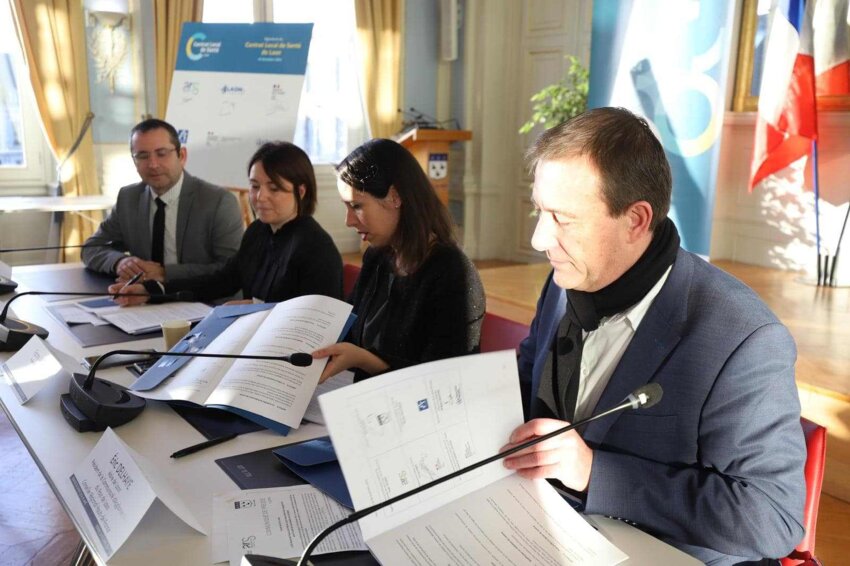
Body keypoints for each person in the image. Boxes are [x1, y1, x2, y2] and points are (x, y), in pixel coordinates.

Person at [500, 107, 806, 564]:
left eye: (562, 218)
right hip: (540, 530)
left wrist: (594, 473)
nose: (539, 239)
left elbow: (772, 517)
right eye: (540, 211)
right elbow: (527, 381)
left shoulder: (743, 338)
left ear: (637, 220)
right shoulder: (565, 281)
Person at [313, 138, 485, 382]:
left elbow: (444, 381)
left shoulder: (452, 272)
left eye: (356, 206)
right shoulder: (378, 256)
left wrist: (364, 360)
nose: (348, 221)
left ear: (395, 197)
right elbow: (349, 330)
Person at [109, 142, 343, 305]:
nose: (260, 197)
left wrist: (253, 309)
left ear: (300, 191)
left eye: (274, 188)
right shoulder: (258, 232)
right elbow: (220, 281)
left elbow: (315, 321)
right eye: (254, 186)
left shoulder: (316, 247)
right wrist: (149, 291)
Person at [82, 118, 243, 282]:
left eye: (161, 154)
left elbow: (231, 268)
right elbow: (91, 248)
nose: (153, 164)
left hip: (205, 300)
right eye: (143, 156)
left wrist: (165, 273)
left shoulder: (218, 202)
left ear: (182, 156)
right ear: (134, 161)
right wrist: (121, 262)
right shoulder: (129, 199)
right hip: (142, 299)